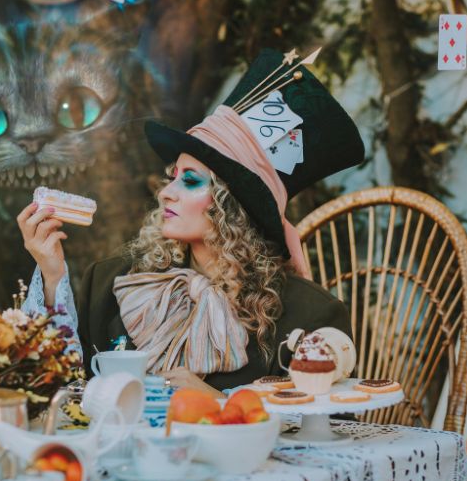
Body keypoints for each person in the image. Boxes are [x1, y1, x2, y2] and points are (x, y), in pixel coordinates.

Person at [20, 48, 365, 397]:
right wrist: (52, 275)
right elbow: (58, 391)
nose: (165, 193)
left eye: (190, 180)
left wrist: (220, 406)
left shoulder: (309, 316)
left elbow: (323, 422)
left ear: (234, 206)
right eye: (173, 177)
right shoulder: (111, 283)